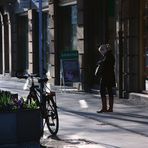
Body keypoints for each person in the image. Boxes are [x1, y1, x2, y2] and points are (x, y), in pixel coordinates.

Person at [96, 44, 116, 113]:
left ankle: (104, 108)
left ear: (104, 50)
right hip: (110, 76)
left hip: (105, 77)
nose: (101, 53)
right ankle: (110, 108)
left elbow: (105, 65)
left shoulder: (107, 56)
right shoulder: (110, 55)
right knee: (110, 91)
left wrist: (100, 63)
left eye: (101, 51)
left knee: (102, 91)